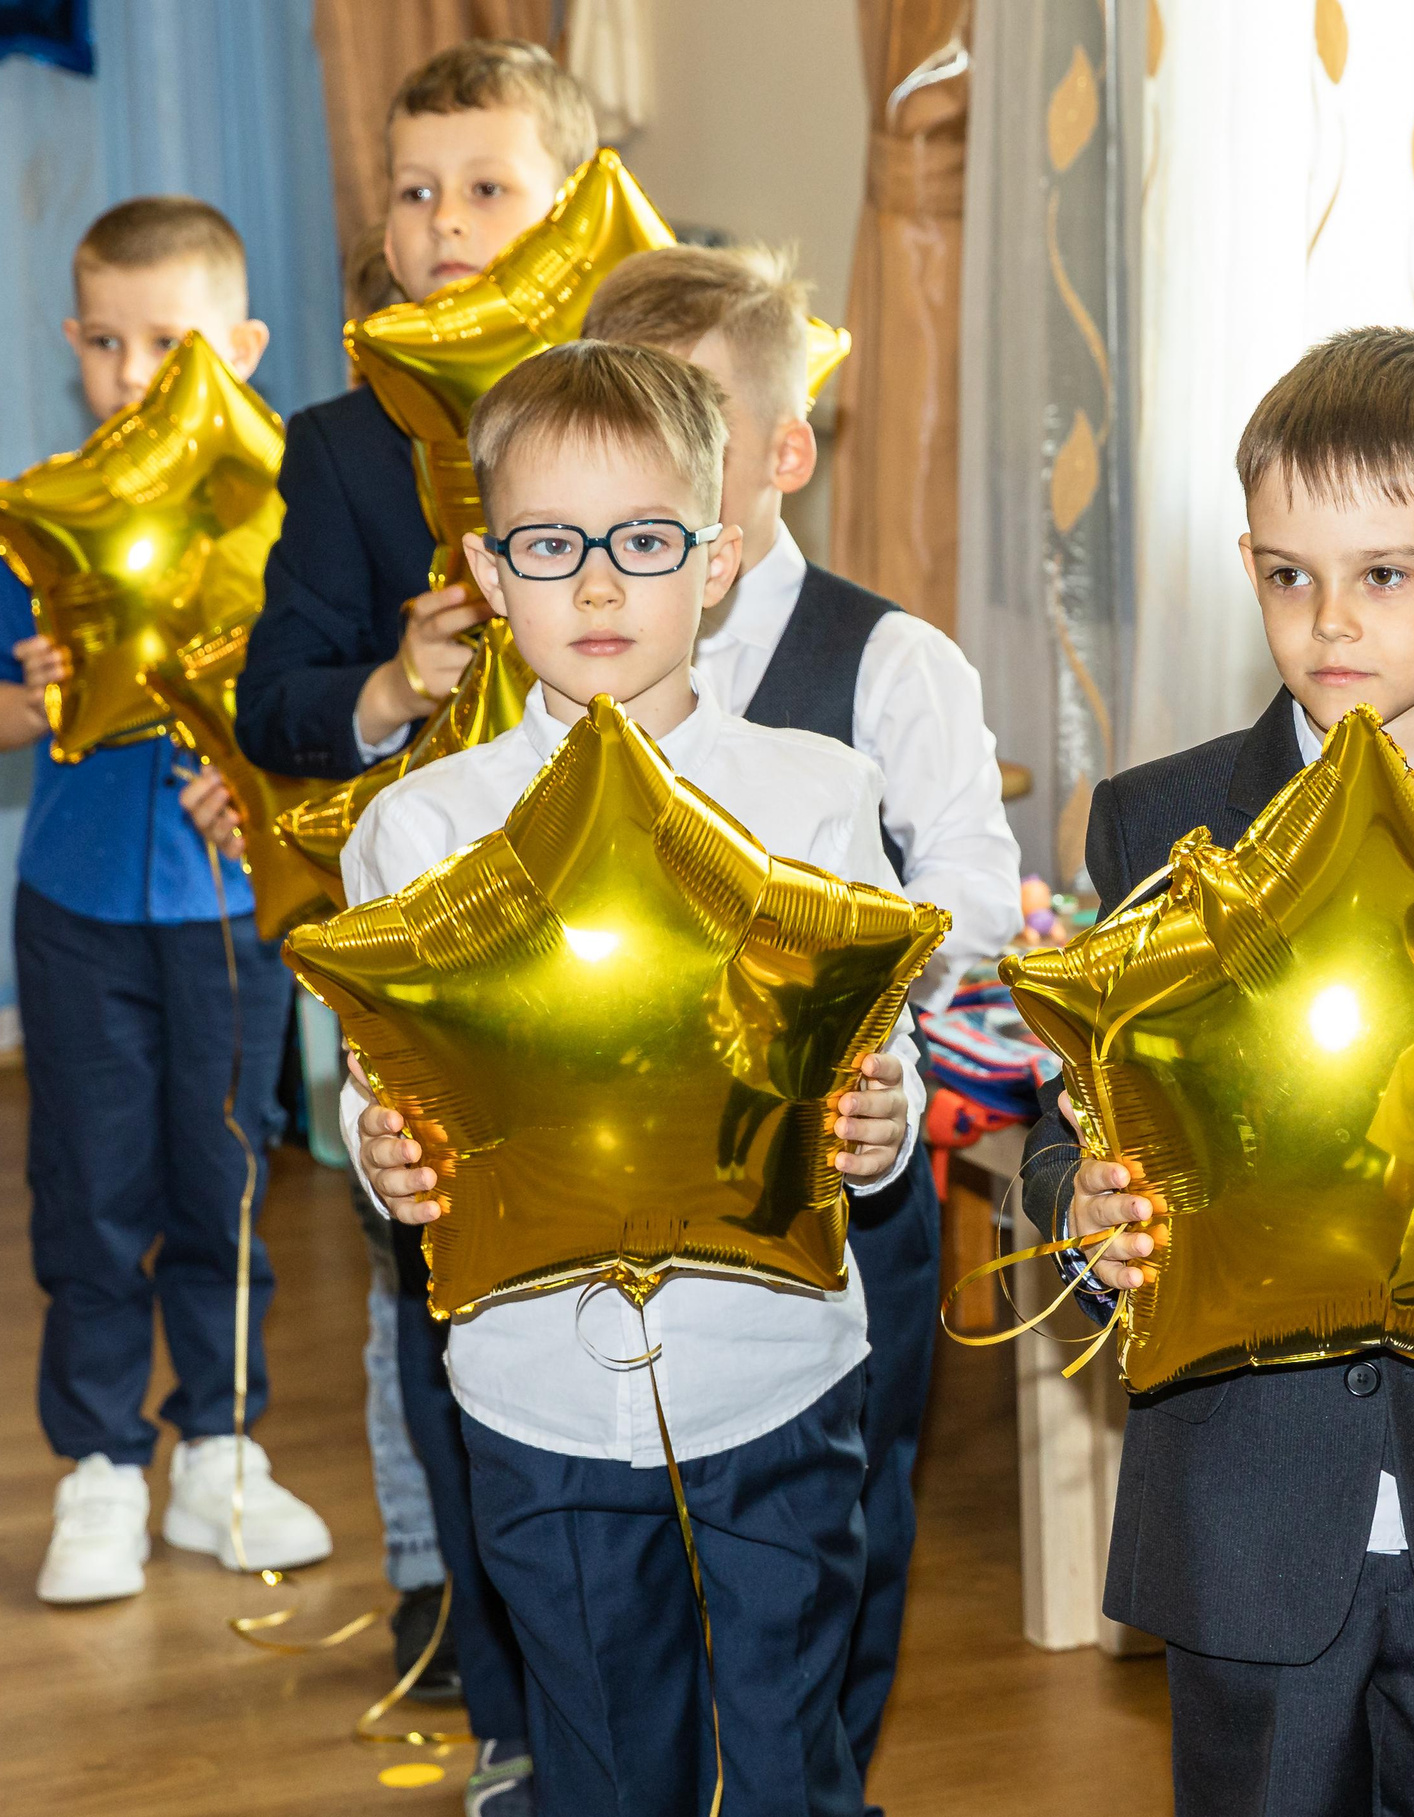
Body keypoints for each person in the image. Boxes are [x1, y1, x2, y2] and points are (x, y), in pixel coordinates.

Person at [1023, 326, 1414, 1817]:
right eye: (1288, 575)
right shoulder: (1157, 821)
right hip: (1245, 1502)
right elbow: (1079, 1125)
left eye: (1384, 573)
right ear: (1247, 562)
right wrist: (1087, 1210)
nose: (1329, 623)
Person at [348, 340, 922, 1814]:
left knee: (798, 1750)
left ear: (716, 556)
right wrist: (382, 1152)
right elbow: (392, 1081)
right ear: (485, 568)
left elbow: (873, 1048)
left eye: (643, 542)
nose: (597, 588)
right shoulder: (420, 832)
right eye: (551, 545)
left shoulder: (818, 793)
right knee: (603, 1758)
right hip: (537, 1381)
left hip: (777, 1364)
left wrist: (882, 1122)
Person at [581, 243, 1024, 1783]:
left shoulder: (893, 661)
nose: (663, 464)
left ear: (784, 450)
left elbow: (972, 890)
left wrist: (807, 959)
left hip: (845, 1161)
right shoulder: (567, 657)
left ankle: (812, 1774)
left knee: (838, 1508)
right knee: (630, 1504)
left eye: (694, 416)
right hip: (627, 1164)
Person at [233, 42, 599, 1795]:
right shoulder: (337, 445)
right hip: (435, 941)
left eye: (490, 186)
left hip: (622, 931)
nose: (446, 223)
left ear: (575, 207)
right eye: (413, 189)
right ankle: (497, 1661)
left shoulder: (640, 412)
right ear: (373, 221)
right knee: (438, 1276)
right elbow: (274, 700)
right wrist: (390, 678)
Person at [0, 195, 330, 1606]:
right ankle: (100, 1461)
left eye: (168, 343)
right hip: (77, 910)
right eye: (106, 341)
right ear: (72, 343)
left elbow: (324, 715)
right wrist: (30, 689)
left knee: (221, 1181)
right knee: (93, 1186)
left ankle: (219, 1451)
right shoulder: (39, 516)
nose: (132, 372)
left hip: (231, 916)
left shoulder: (288, 513)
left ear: (241, 346)